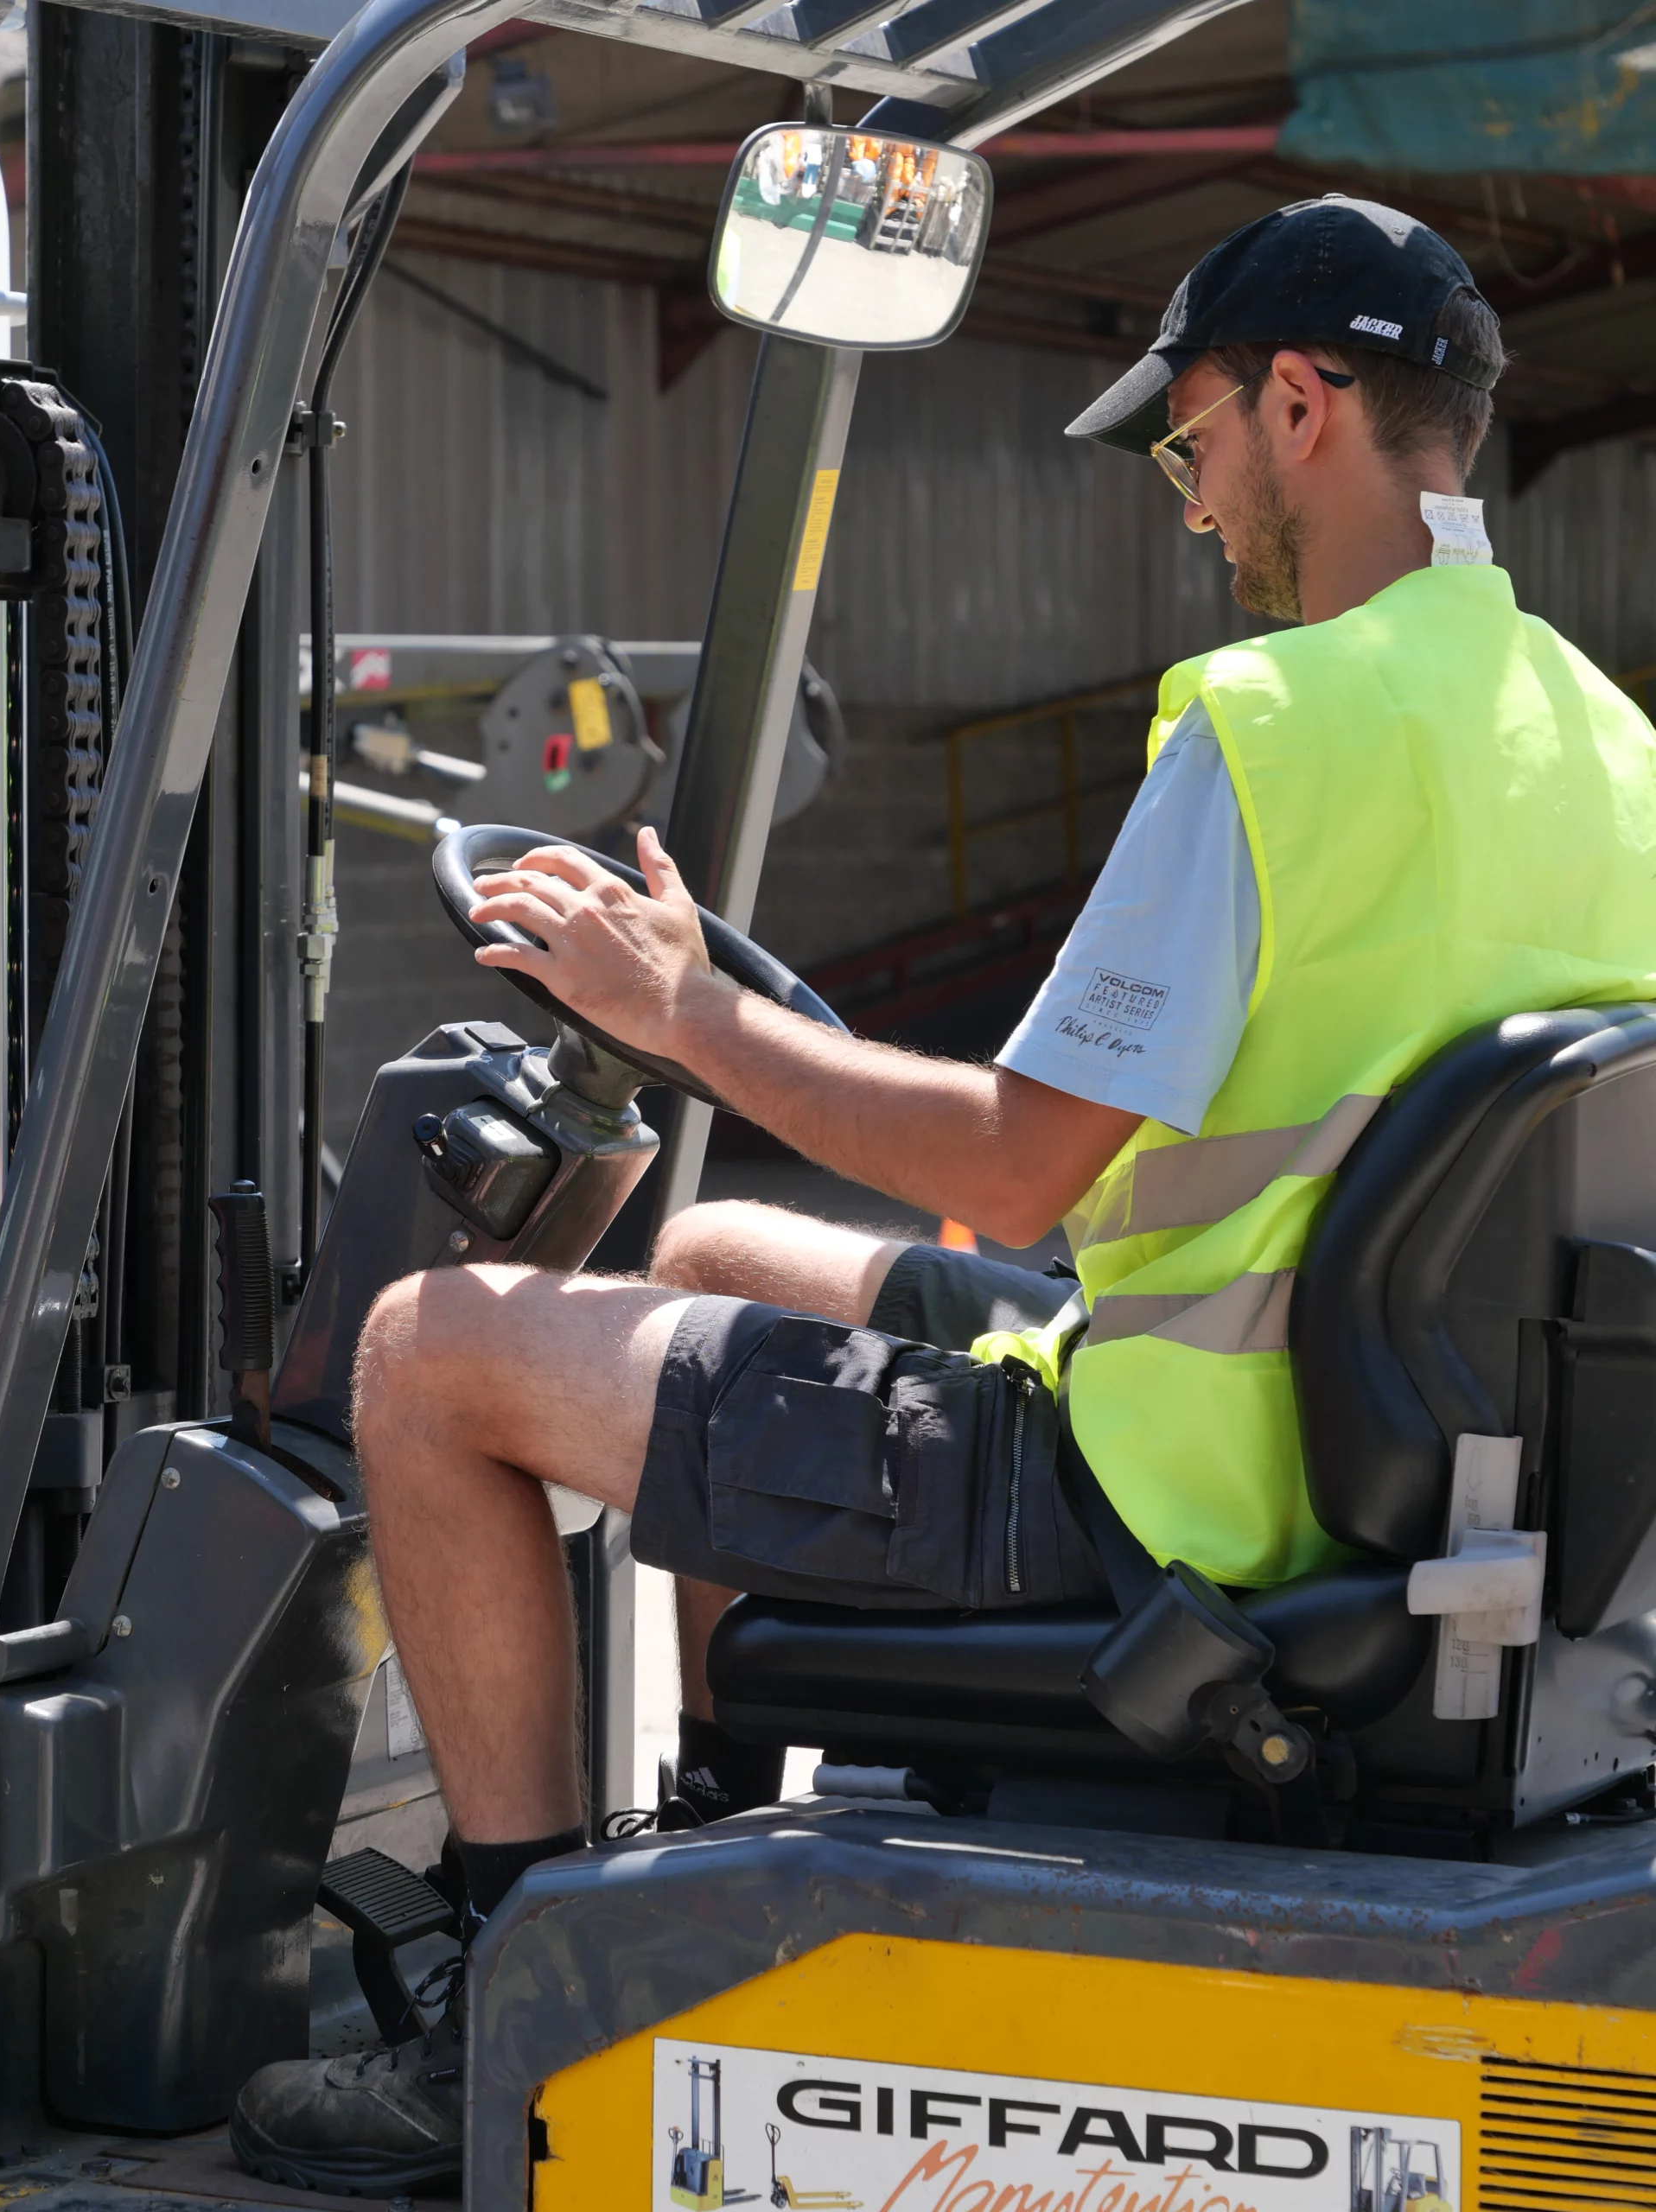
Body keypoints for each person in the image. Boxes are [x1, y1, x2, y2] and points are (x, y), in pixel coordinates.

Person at [231, 194, 1656, 2193]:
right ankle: (701, 1876)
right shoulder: (1604, 738)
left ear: (1304, 403)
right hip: (1369, 1463)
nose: (1189, 505)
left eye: (1197, 445)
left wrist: (686, 1011)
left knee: (425, 1351)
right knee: (722, 1248)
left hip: (1161, 1494)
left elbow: (1008, 1159)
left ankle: (510, 1987)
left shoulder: (1273, 726)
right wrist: (709, 1012)